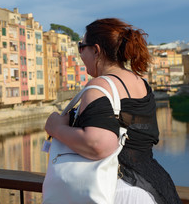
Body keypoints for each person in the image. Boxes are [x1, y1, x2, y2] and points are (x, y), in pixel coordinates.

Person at [45, 18, 181, 203]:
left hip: (115, 190)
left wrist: (56, 129)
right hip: (151, 185)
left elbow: (98, 144)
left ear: (96, 50)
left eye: (81, 47)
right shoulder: (140, 82)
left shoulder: (100, 86)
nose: (80, 54)